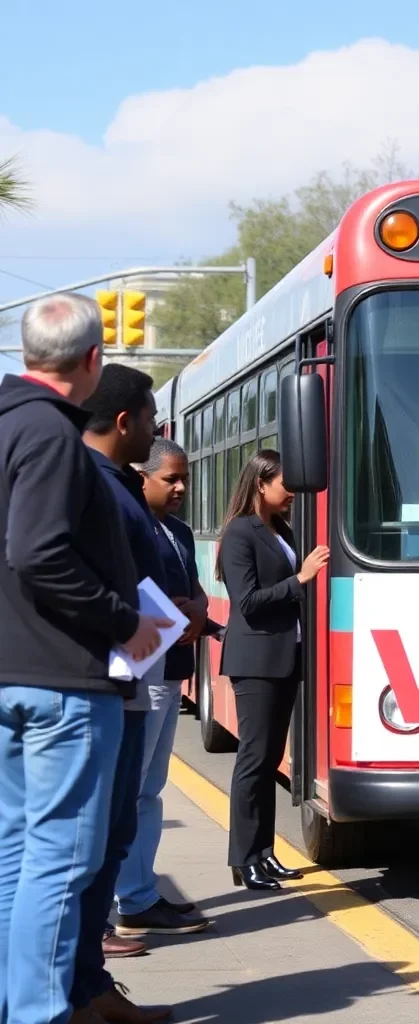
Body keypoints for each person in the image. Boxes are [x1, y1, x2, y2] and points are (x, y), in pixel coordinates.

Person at [0, 295, 166, 1024]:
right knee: (62, 859)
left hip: (12, 672)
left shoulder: (10, 426)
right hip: (60, 677)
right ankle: (41, 1012)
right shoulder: (49, 436)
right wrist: (122, 620)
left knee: (17, 855)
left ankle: (19, 1003)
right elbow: (38, 553)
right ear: (92, 362)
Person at [74, 366, 176, 1024]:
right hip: (108, 674)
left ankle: (90, 984)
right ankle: (81, 990)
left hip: (128, 670)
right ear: (123, 422)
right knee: (93, 839)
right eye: (148, 419)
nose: (152, 429)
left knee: (112, 834)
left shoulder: (110, 485)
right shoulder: (99, 486)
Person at [216, 450, 329, 891]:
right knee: (254, 761)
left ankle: (263, 853)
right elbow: (247, 602)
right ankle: (243, 859)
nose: (292, 495)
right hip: (256, 661)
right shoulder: (240, 533)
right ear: (261, 484)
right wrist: (299, 580)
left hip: (284, 657)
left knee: (267, 762)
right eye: (285, 485)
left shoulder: (280, 528)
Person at [113, 438, 211, 939]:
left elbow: (193, 588)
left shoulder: (179, 531)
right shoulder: (130, 525)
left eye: (185, 479)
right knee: (129, 790)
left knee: (151, 788)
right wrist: (174, 609)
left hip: (172, 667)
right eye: (170, 479)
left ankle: (140, 892)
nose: (180, 488)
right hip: (141, 666)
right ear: (143, 477)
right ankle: (130, 896)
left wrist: (197, 609)